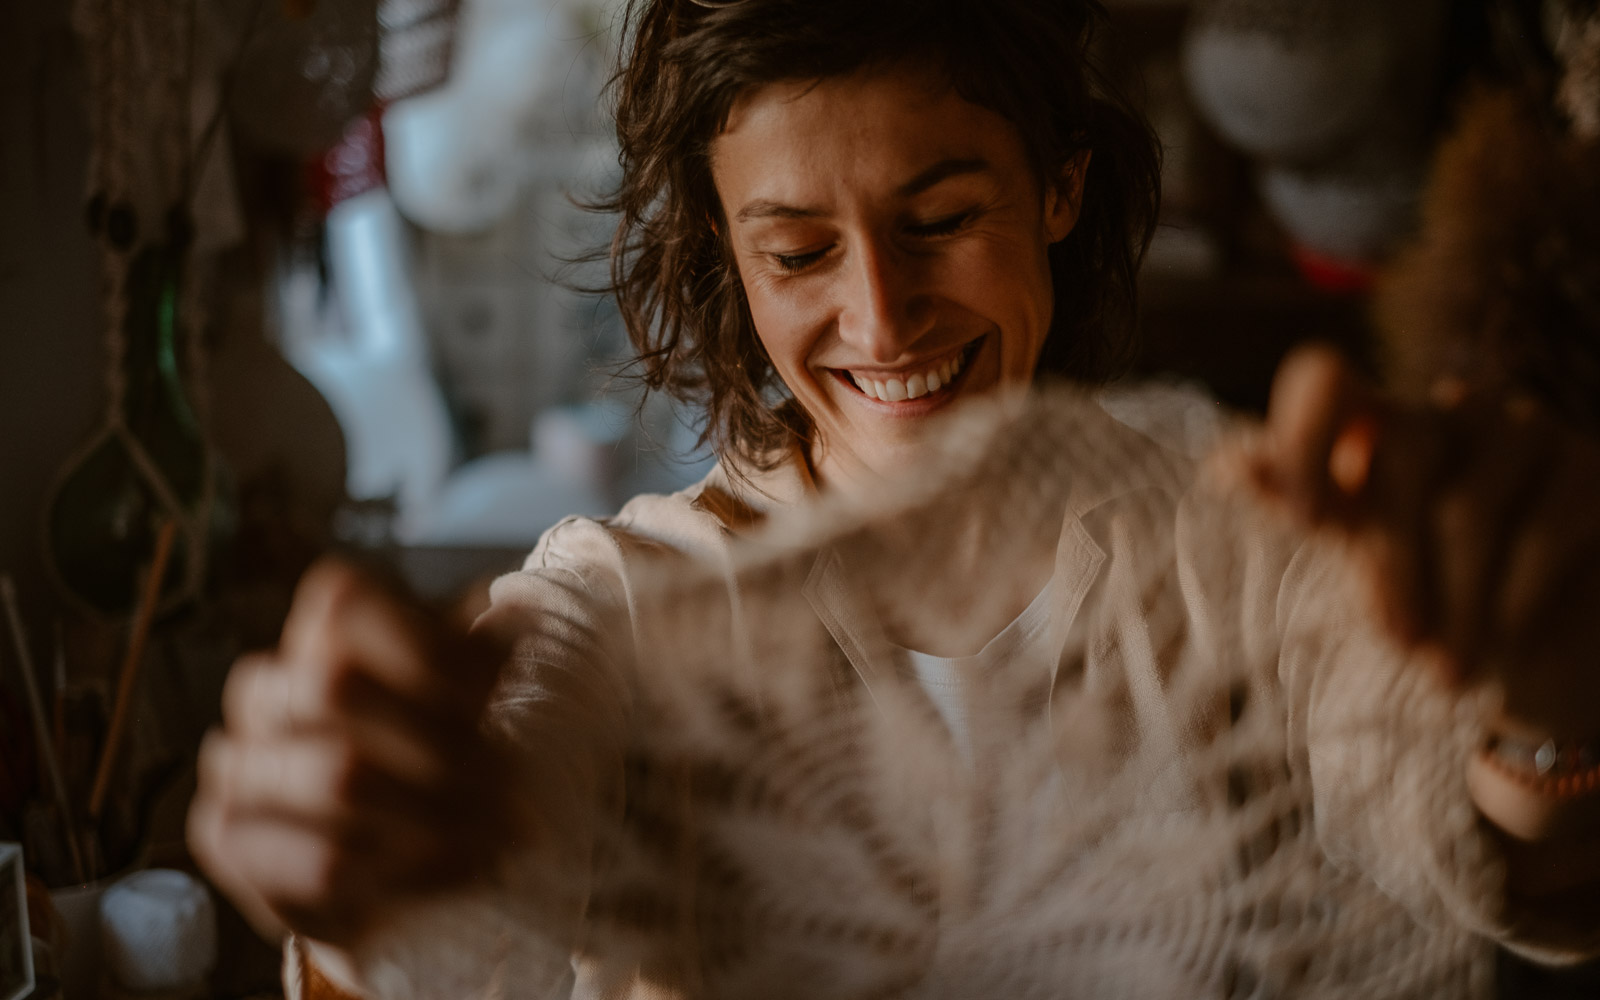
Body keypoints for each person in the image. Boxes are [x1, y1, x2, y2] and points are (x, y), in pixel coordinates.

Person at [188, 0, 1600, 996]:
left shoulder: (1256, 559)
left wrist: (1544, 702)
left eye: (940, 221)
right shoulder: (621, 605)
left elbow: (1456, 812)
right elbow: (467, 888)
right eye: (799, 251)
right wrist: (359, 856)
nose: (883, 313)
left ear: (1059, 187)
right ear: (730, 262)